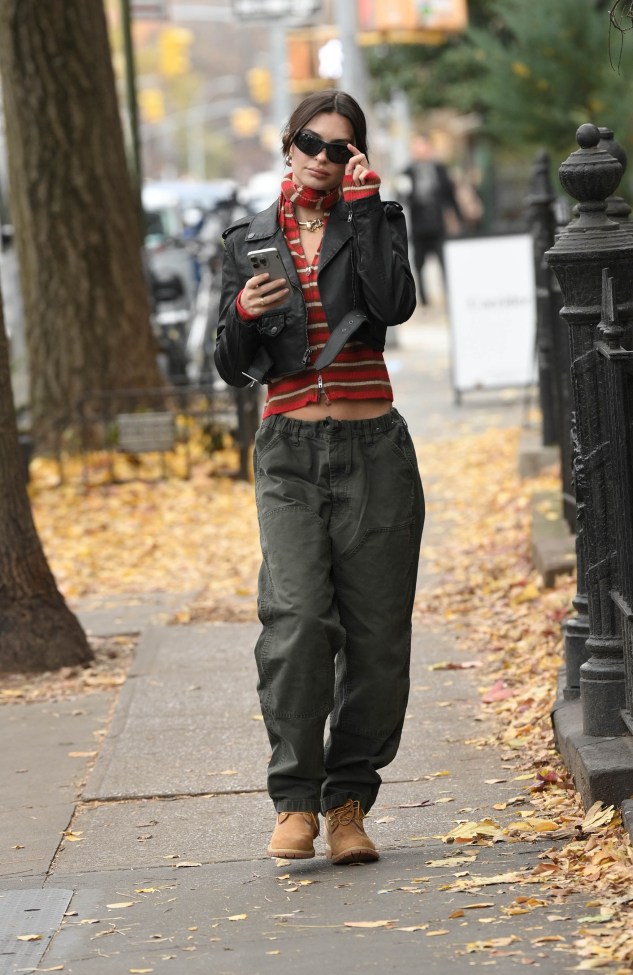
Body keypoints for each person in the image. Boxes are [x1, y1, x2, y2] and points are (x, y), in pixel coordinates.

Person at [214, 89, 425, 865]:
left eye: (341, 148)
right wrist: (243, 311)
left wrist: (365, 209)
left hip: (375, 450)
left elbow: (392, 305)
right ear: (288, 143)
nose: (323, 158)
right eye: (312, 141)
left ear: (356, 158)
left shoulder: (376, 219)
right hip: (290, 453)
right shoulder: (247, 240)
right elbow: (228, 363)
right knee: (298, 619)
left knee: (376, 638)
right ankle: (295, 798)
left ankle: (347, 803)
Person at [402, 134, 464, 306]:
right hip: (418, 227)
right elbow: (402, 198)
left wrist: (459, 219)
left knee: (445, 262)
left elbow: (450, 196)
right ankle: (424, 300)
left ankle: (450, 297)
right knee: (419, 265)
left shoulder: (440, 170)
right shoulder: (407, 172)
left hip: (438, 225)